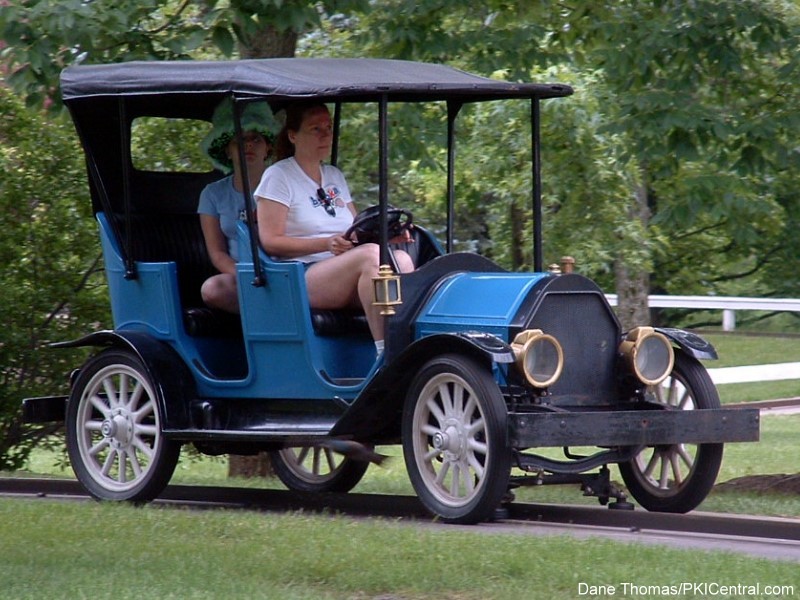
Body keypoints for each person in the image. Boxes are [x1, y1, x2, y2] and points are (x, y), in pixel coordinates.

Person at [254, 102, 414, 354]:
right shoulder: (278, 176)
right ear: (293, 135)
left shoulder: (334, 175)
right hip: (298, 274)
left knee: (401, 260)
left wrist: (386, 235)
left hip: (341, 272)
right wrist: (326, 243)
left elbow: (355, 231)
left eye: (328, 127)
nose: (326, 135)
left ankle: (408, 347)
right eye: (315, 129)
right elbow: (271, 241)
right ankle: (387, 355)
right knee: (372, 257)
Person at [198, 98, 279, 313]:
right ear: (227, 150)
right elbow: (217, 253)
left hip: (284, 268)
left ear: (268, 147)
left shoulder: (285, 184)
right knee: (212, 289)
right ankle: (267, 314)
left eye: (256, 139)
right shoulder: (212, 194)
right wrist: (249, 276)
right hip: (242, 275)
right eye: (240, 140)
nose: (248, 145)